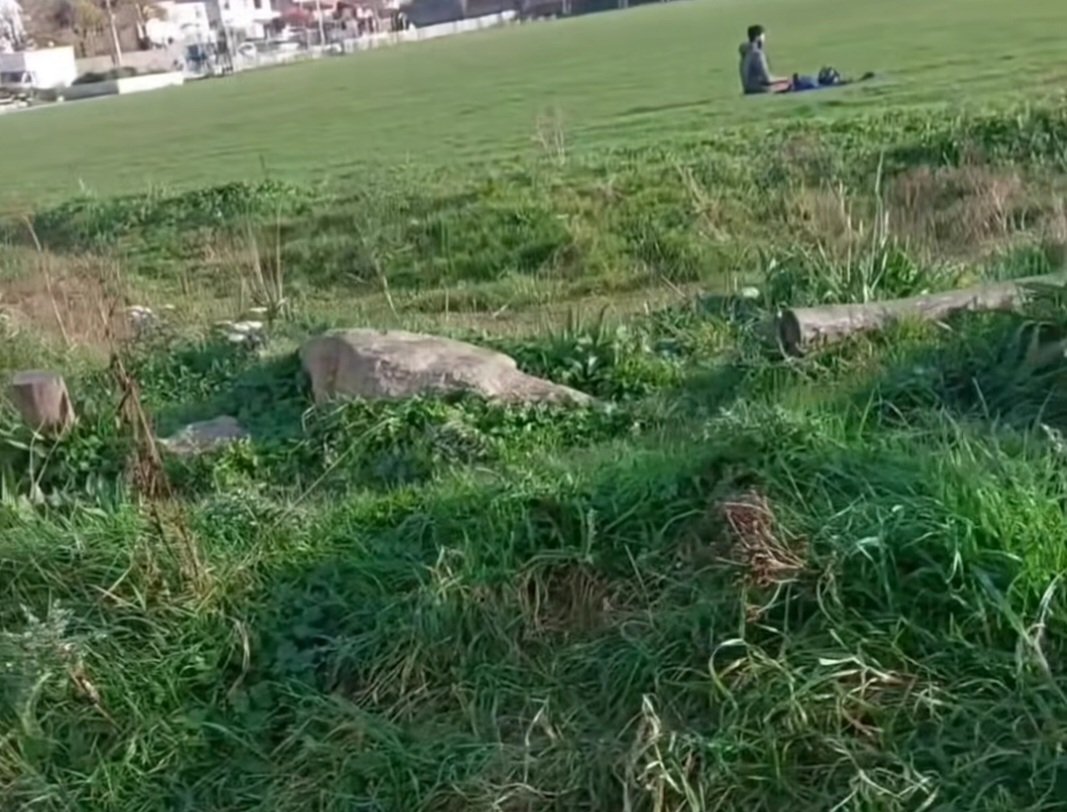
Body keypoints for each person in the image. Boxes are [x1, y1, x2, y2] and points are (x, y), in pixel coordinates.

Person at [739, 25, 792, 95]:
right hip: (760, 90)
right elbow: (767, 79)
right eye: (763, 36)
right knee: (791, 85)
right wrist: (786, 79)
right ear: (758, 37)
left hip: (747, 89)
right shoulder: (757, 54)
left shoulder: (745, 53)